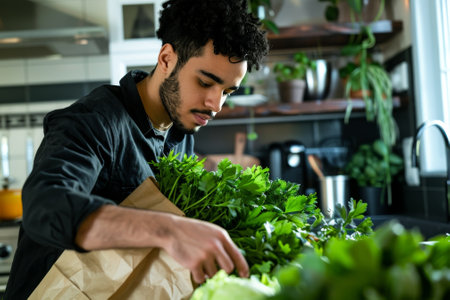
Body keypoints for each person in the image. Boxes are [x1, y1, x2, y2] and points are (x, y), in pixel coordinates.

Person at [4, 0, 268, 298]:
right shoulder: (94, 121)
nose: (216, 104)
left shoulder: (181, 138)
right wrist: (170, 230)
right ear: (167, 58)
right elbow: (45, 206)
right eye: (206, 82)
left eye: (227, 92)